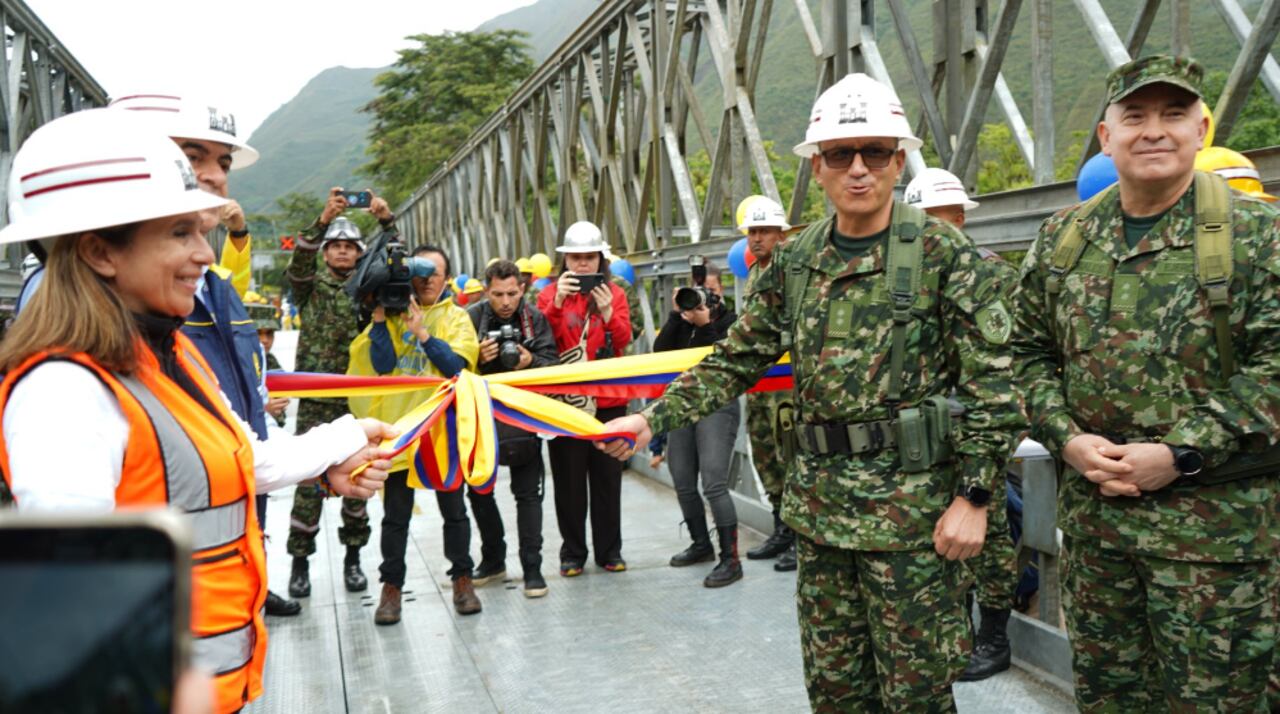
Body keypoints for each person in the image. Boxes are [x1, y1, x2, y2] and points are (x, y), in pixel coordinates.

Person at [598, 73, 1021, 711]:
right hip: (821, 515)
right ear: (816, 167)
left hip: (910, 517)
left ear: (897, 161)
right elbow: (735, 360)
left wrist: (976, 498)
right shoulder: (795, 264)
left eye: (875, 152)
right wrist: (651, 419)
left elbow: (996, 387)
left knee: (916, 694)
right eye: (840, 155)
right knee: (835, 691)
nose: (859, 169)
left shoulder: (942, 254)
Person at [0, 109, 395, 714]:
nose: (205, 256)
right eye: (180, 232)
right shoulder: (64, 390)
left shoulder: (168, 353)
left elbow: (245, 459)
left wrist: (339, 445)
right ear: (100, 251)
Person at [1013, 55, 1280, 711]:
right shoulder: (1064, 241)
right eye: (1135, 116)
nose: (1153, 131)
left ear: (1202, 127)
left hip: (1216, 547)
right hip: (1101, 540)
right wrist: (1067, 438)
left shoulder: (1258, 236)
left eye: (1173, 114)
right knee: (1109, 699)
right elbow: (1025, 353)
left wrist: (1181, 453)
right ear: (1107, 136)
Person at [109, 92, 307, 616]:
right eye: (192, 156)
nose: (216, 176)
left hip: (222, 559)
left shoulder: (210, 288)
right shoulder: (88, 324)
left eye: (222, 162)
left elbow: (237, 440)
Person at [905, 169, 1020, 681]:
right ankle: (957, 631)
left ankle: (993, 638)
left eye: (936, 221)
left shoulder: (989, 274)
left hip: (981, 426)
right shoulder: (906, 275)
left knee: (989, 533)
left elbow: (1007, 362)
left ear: (957, 218)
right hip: (930, 432)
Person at [352, 244, 482, 623]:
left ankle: (462, 579)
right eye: (420, 274)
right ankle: (391, 589)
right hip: (399, 430)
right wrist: (379, 322)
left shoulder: (456, 318)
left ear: (446, 278)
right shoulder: (392, 315)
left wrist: (424, 335)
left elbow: (456, 368)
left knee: (454, 511)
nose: (426, 280)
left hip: (442, 431)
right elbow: (380, 365)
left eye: (435, 273)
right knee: (395, 517)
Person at [285, 193, 394, 600]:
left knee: (359, 477)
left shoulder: (367, 288)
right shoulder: (309, 288)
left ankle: (353, 559)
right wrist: (322, 220)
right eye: (336, 246)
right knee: (307, 481)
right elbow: (299, 261)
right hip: (315, 396)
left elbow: (395, 259)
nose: (343, 251)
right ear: (327, 252)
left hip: (354, 399)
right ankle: (300, 564)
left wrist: (385, 222)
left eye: (350, 246)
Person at [537, 221, 633, 576]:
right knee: (569, 481)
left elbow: (624, 340)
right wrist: (558, 302)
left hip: (608, 402)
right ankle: (572, 553)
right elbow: (543, 338)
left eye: (589, 257)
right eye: (575, 258)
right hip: (565, 402)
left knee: (609, 478)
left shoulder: (616, 294)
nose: (582, 265)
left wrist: (608, 313)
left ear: (600, 259)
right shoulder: (548, 294)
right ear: (563, 261)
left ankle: (610, 551)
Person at [467, 259, 560, 597]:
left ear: (522, 289)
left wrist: (530, 361)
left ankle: (532, 568)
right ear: (485, 291)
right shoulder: (471, 318)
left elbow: (554, 366)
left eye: (512, 293)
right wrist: (475, 356)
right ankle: (493, 558)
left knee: (527, 493)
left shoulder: (534, 319)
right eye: (497, 295)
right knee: (478, 489)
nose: (505, 303)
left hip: (522, 415)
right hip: (479, 414)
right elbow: (451, 368)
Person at [653, 265, 742, 587]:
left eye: (711, 291)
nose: (703, 297)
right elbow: (659, 355)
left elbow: (720, 361)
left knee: (714, 482)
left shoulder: (731, 322)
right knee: (682, 478)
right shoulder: (683, 321)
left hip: (718, 406)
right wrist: (678, 315)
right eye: (698, 291)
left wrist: (705, 326)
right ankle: (701, 543)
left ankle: (731, 559)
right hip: (682, 405)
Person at [738, 196, 799, 572]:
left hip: (785, 387)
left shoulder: (791, 272)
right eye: (752, 232)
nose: (757, 238)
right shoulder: (756, 275)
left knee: (789, 457)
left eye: (765, 232)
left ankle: (799, 537)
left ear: (782, 234)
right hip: (759, 385)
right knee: (764, 456)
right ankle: (780, 527)